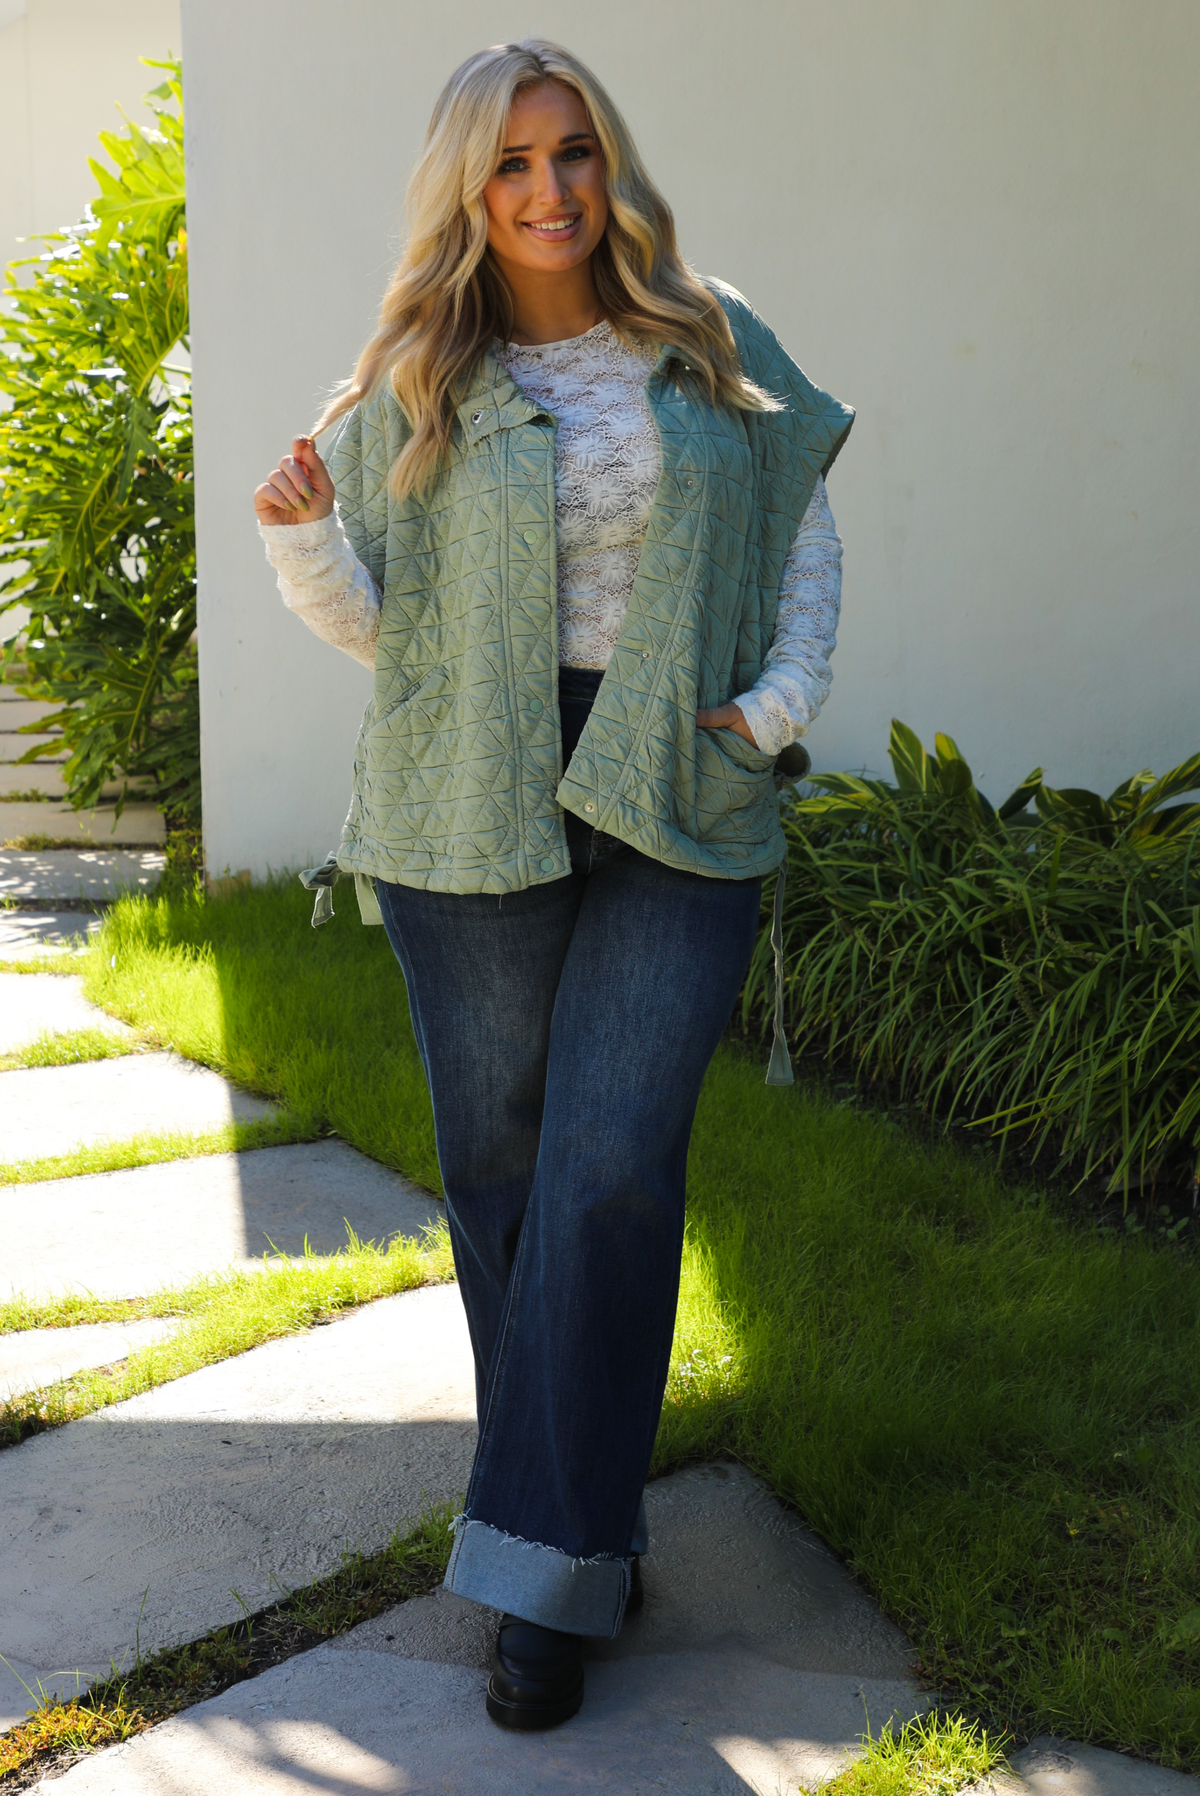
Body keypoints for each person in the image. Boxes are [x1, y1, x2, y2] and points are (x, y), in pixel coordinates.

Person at [253, 37, 851, 1732]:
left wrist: (777, 705)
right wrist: (304, 533)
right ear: (469, 188)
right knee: (504, 1169)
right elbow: (390, 636)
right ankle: (586, 1529)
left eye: (574, 151)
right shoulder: (417, 384)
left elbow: (800, 527)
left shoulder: (707, 335)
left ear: (612, 165)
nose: (549, 190)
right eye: (512, 163)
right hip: (473, 790)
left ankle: (532, 1587)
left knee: (604, 1163)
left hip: (676, 772)